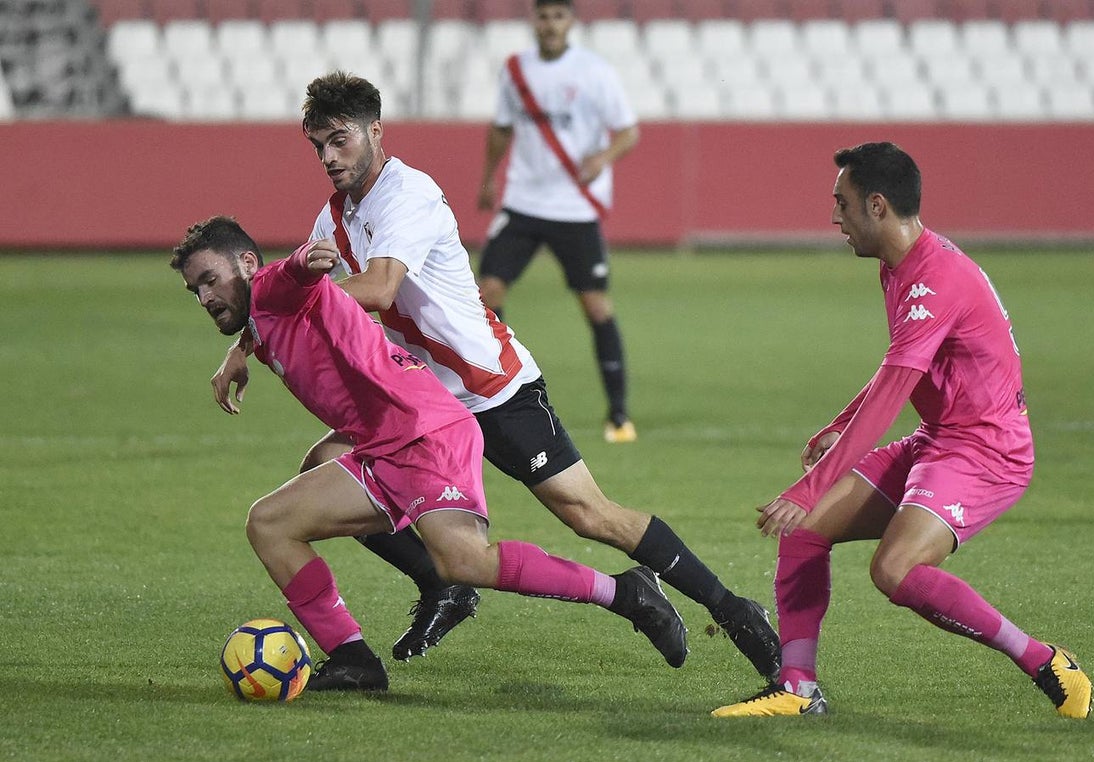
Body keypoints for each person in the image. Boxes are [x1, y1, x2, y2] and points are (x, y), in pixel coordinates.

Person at [210, 71, 781, 681]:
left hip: (491, 388)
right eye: (317, 145)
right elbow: (295, 291)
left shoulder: (408, 195)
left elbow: (375, 289)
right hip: (419, 406)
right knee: (319, 468)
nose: (328, 157)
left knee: (589, 515)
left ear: (375, 131)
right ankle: (442, 582)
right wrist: (245, 343)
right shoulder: (335, 217)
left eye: (339, 140)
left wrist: (277, 310)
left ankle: (727, 606)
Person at [173, 216, 689, 692]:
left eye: (209, 279)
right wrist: (239, 351)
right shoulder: (260, 319)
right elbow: (264, 316)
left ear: (245, 264)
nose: (203, 296)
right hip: (383, 442)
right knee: (269, 523)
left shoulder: (272, 287)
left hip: (426, 431)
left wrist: (309, 257)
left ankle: (626, 593)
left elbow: (292, 275)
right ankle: (354, 658)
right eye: (194, 288)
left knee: (465, 560)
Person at [711, 142, 1093, 719]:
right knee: (806, 532)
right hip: (942, 437)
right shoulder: (902, 265)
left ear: (878, 205)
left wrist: (810, 485)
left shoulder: (933, 280)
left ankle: (1044, 659)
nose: (834, 217)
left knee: (895, 570)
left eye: (842, 204)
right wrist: (840, 424)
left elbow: (892, 395)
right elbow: (898, 369)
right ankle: (797, 689)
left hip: (987, 451)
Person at [477, 0, 639, 444]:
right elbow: (502, 127)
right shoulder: (515, 69)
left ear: (571, 22)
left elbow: (627, 131)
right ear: (535, 21)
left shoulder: (595, 72)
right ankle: (491, 394)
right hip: (524, 201)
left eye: (559, 16)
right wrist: (489, 178)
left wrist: (601, 158)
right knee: (486, 295)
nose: (551, 25)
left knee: (596, 307)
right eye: (544, 16)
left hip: (574, 207)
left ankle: (619, 413)